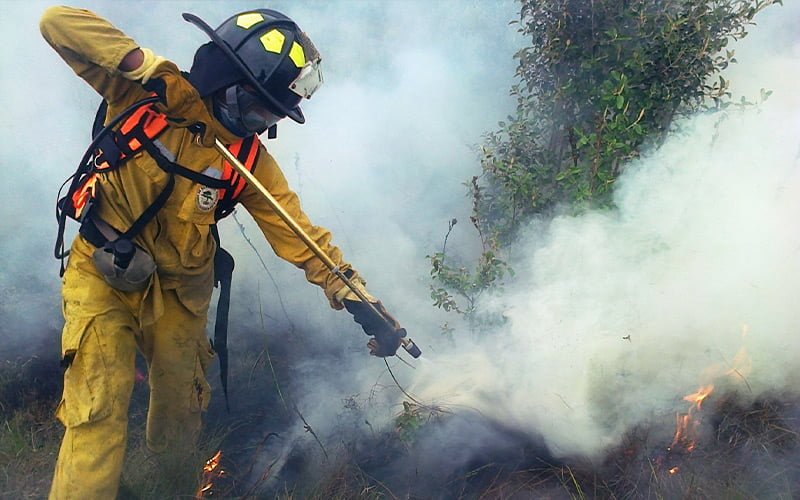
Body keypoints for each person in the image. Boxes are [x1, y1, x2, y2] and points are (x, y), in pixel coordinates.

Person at [39, 5, 405, 499]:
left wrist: (355, 295)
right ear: (225, 80)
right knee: (97, 411)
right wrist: (142, 66)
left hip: (181, 293)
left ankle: (169, 490)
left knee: (178, 420)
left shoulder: (247, 160)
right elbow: (56, 22)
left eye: (270, 115)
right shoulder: (144, 97)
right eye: (256, 108)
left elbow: (297, 232)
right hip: (103, 273)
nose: (258, 123)